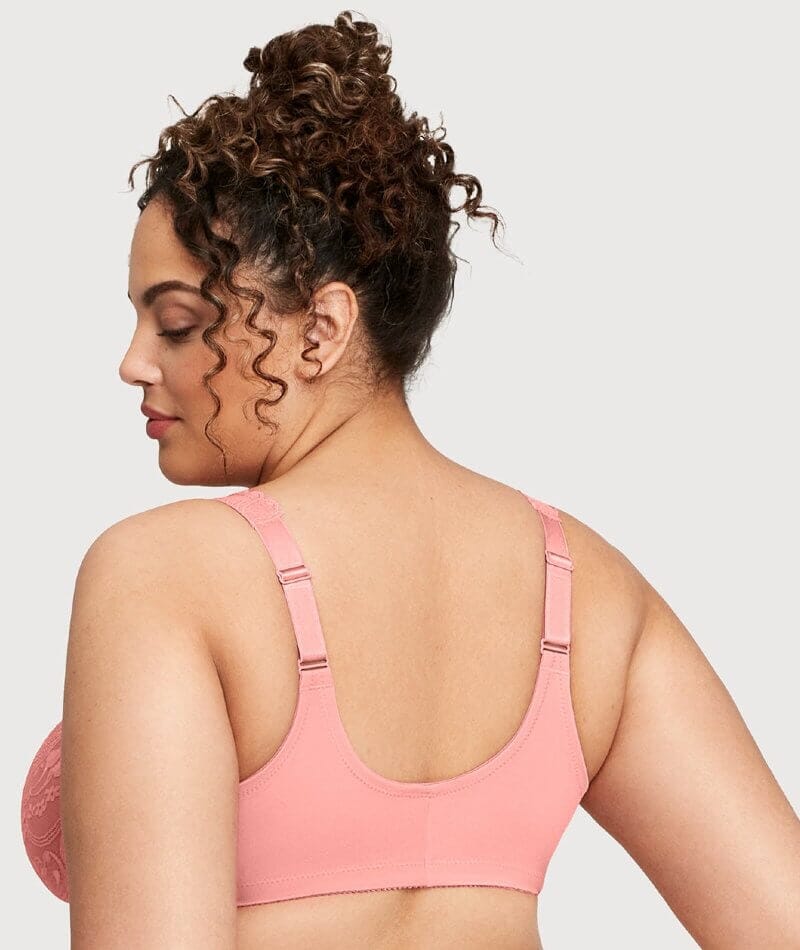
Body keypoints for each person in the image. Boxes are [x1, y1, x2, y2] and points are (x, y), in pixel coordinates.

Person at [20, 10, 800, 949]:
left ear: (321, 330)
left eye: (177, 323)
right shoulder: (585, 589)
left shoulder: (165, 575)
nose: (133, 363)